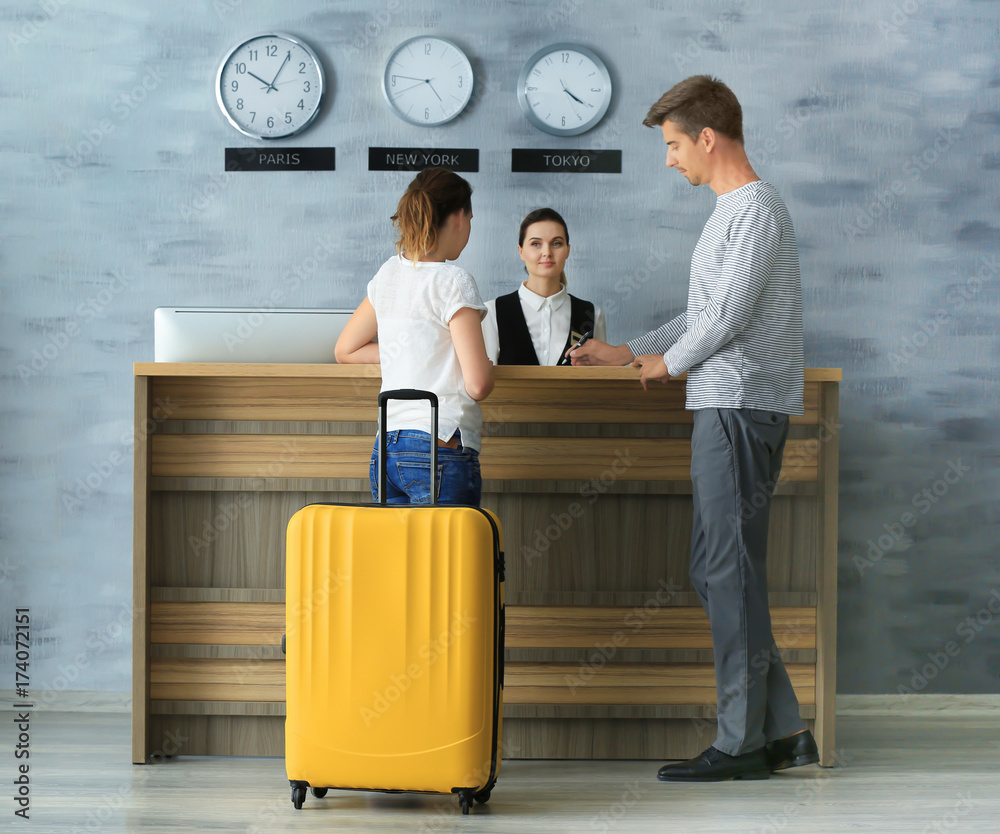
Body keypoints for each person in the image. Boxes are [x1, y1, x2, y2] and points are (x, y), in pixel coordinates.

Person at [570, 76, 816, 781]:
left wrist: (667, 364)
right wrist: (630, 351)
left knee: (728, 575)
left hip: (737, 408)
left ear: (708, 138)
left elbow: (727, 317)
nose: (670, 159)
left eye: (675, 144)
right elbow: (702, 311)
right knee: (717, 573)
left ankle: (741, 744)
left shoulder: (756, 210)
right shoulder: (730, 212)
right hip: (723, 405)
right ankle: (782, 729)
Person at [335, 167, 494, 506]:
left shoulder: (389, 273)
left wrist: (407, 351)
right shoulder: (454, 280)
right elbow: (478, 385)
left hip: (386, 448)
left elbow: (346, 349)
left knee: (401, 557)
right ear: (459, 219)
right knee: (452, 559)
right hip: (440, 445)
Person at [482, 208, 606, 365]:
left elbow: (599, 383)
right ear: (521, 251)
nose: (547, 252)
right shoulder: (492, 313)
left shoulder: (592, 315)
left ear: (568, 250)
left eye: (556, 243)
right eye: (536, 244)